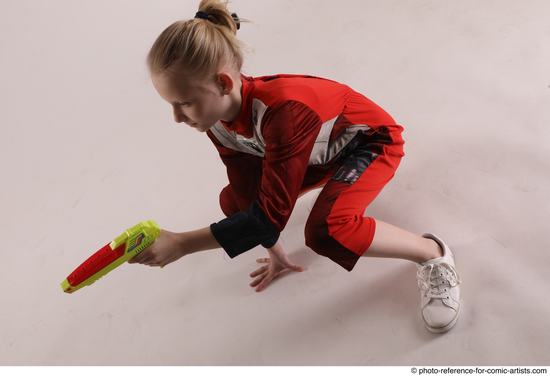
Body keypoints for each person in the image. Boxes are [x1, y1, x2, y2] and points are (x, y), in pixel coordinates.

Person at [128, 0, 462, 334]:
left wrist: (183, 243)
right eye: (171, 104)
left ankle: (432, 254)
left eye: (184, 103)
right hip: (316, 154)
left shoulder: (285, 112)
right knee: (232, 202)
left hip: (369, 145)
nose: (176, 117)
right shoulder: (215, 120)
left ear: (223, 84)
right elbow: (249, 198)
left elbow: (269, 215)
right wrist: (274, 250)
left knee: (326, 230)